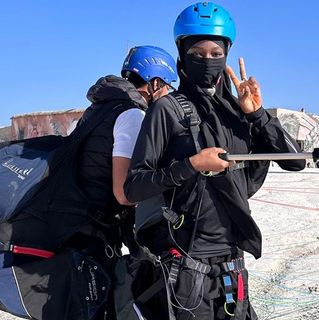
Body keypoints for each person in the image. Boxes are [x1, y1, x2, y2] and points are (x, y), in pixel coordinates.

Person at [123, 2, 305, 320]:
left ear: (227, 54)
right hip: (185, 264)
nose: (208, 60)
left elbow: (295, 162)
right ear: (182, 54)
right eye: (198, 52)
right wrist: (191, 165)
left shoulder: (239, 112)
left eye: (215, 53)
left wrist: (257, 114)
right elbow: (134, 186)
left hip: (233, 263)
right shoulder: (167, 109)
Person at [67, 45, 177, 319]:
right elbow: (124, 193)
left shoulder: (97, 109)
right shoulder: (132, 115)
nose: (167, 97)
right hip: (96, 228)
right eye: (167, 89)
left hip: (76, 220)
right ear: (155, 83)